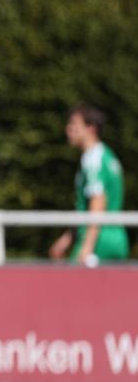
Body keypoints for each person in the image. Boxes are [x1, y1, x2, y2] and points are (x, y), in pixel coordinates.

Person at [49, 105, 129, 265]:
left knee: (69, 287)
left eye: (74, 124)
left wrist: (87, 248)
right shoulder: (107, 155)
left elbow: (98, 203)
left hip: (99, 240)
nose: (68, 129)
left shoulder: (93, 159)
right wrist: (67, 238)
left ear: (91, 128)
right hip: (116, 238)